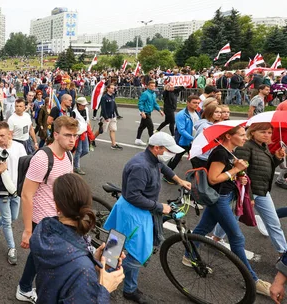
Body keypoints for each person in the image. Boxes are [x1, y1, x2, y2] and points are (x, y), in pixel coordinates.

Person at [104, 132, 190, 303]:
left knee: (117, 242)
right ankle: (116, 281)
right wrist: (160, 207)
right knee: (136, 252)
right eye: (168, 150)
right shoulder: (141, 166)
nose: (171, 154)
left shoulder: (152, 158)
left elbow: (164, 168)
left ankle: (106, 272)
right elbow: (133, 196)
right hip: (133, 211)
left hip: (135, 209)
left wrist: (179, 180)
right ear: (156, 148)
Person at [190, 125, 272, 297]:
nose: (245, 138)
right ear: (228, 136)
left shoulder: (230, 152)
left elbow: (225, 175)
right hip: (218, 199)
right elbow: (213, 179)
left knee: (202, 229)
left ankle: (188, 254)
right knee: (237, 237)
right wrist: (234, 170)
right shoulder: (220, 153)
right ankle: (252, 280)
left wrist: (238, 176)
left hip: (225, 196)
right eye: (241, 135)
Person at [30, 173, 124, 303]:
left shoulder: (43, 230)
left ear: (57, 205)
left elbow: (64, 268)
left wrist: (93, 260)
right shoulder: (82, 270)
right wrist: (105, 289)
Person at [16, 116, 78, 302]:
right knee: (42, 256)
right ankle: (26, 288)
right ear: (56, 135)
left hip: (61, 217)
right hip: (41, 220)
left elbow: (68, 186)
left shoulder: (68, 155)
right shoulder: (43, 158)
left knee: (43, 256)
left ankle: (26, 287)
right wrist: (27, 230)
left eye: (74, 135)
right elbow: (27, 195)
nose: (72, 140)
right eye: (68, 135)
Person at [235, 122, 287, 254]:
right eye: (263, 132)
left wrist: (277, 158)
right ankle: (216, 238)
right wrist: (249, 196)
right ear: (252, 132)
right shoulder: (245, 146)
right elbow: (242, 173)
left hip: (263, 191)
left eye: (269, 132)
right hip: (248, 192)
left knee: (274, 223)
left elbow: (266, 168)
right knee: (232, 219)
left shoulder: (264, 147)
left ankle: (284, 254)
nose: (267, 135)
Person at [0, 121, 27, 266]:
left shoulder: (19, 147)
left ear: (10, 134)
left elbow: (25, 167)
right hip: (1, 191)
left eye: (2, 135)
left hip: (16, 190)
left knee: (13, 216)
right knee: (8, 221)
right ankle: (12, 249)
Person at [167, 95, 200, 170]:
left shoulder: (197, 113)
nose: (196, 105)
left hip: (193, 141)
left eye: (198, 103)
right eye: (194, 102)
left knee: (194, 158)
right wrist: (192, 138)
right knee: (176, 158)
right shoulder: (181, 114)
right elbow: (181, 130)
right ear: (188, 103)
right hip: (183, 141)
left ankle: (195, 172)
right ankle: (167, 175)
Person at [93, 84, 122, 150]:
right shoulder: (104, 97)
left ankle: (113, 144)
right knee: (101, 130)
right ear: (108, 89)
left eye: (113, 88)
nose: (113, 89)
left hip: (112, 116)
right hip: (106, 116)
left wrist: (116, 114)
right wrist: (106, 117)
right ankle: (92, 139)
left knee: (113, 130)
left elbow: (114, 106)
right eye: (111, 88)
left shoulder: (112, 96)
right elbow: (103, 108)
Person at [135, 81, 164, 146]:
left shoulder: (153, 94)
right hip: (145, 112)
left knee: (142, 126)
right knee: (151, 127)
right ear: (148, 86)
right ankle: (152, 143)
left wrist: (160, 110)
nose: (153, 87)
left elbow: (155, 103)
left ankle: (137, 139)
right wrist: (142, 112)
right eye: (151, 86)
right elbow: (140, 103)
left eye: (154, 86)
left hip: (149, 112)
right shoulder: (145, 94)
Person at [71, 97, 94, 175]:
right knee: (79, 150)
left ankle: (74, 161)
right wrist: (74, 134)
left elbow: (87, 120)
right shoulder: (74, 112)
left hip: (85, 132)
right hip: (78, 134)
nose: (84, 106)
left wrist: (89, 130)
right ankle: (76, 167)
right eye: (83, 105)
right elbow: (72, 123)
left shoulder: (86, 110)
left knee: (86, 150)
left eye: (85, 105)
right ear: (78, 105)